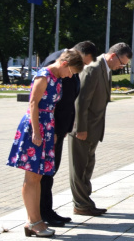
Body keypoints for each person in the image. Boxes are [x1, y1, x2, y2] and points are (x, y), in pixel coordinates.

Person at [6, 49, 85, 237]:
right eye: (71, 72)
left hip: (47, 127)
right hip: (36, 128)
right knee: (32, 176)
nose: (70, 76)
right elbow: (33, 103)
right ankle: (34, 221)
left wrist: (53, 131)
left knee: (38, 176)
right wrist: (36, 131)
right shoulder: (44, 75)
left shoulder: (57, 78)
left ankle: (34, 220)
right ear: (64, 64)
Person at [40, 41, 99, 227]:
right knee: (45, 174)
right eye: (83, 63)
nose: (81, 69)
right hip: (51, 130)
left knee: (50, 172)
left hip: (58, 131)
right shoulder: (55, 63)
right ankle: (43, 213)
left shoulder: (66, 65)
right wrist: (56, 130)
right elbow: (46, 101)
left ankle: (47, 211)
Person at [69, 42, 132, 217]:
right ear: (113, 56)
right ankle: (81, 205)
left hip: (94, 128)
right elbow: (80, 101)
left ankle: (85, 202)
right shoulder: (93, 69)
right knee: (79, 167)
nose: (121, 67)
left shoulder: (105, 69)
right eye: (122, 63)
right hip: (83, 129)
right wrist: (80, 128)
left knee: (87, 166)